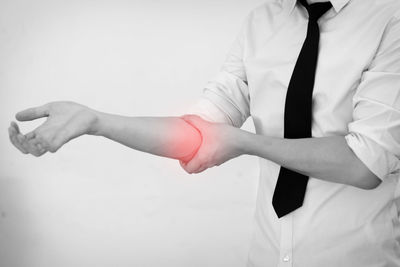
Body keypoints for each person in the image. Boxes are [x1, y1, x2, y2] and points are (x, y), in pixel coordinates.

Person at [8, 0, 400, 266]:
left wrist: (244, 143)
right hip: (267, 254)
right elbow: (199, 132)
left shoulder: (389, 18)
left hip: (357, 257)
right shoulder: (265, 20)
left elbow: (365, 163)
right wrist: (96, 121)